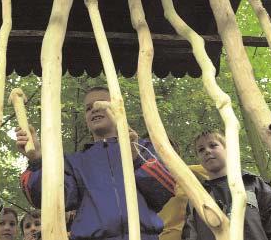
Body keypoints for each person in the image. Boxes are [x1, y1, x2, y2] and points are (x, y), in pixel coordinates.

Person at [17, 86, 176, 240]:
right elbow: (49, 201)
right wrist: (37, 160)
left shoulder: (144, 148)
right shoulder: (75, 162)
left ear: (119, 108)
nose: (94, 109)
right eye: (88, 108)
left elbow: (164, 191)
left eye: (101, 104)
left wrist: (136, 158)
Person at [181, 130, 271, 240]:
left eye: (213, 145)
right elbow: (190, 235)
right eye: (201, 150)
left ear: (228, 149)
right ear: (198, 158)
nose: (207, 151)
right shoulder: (196, 198)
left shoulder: (254, 185)